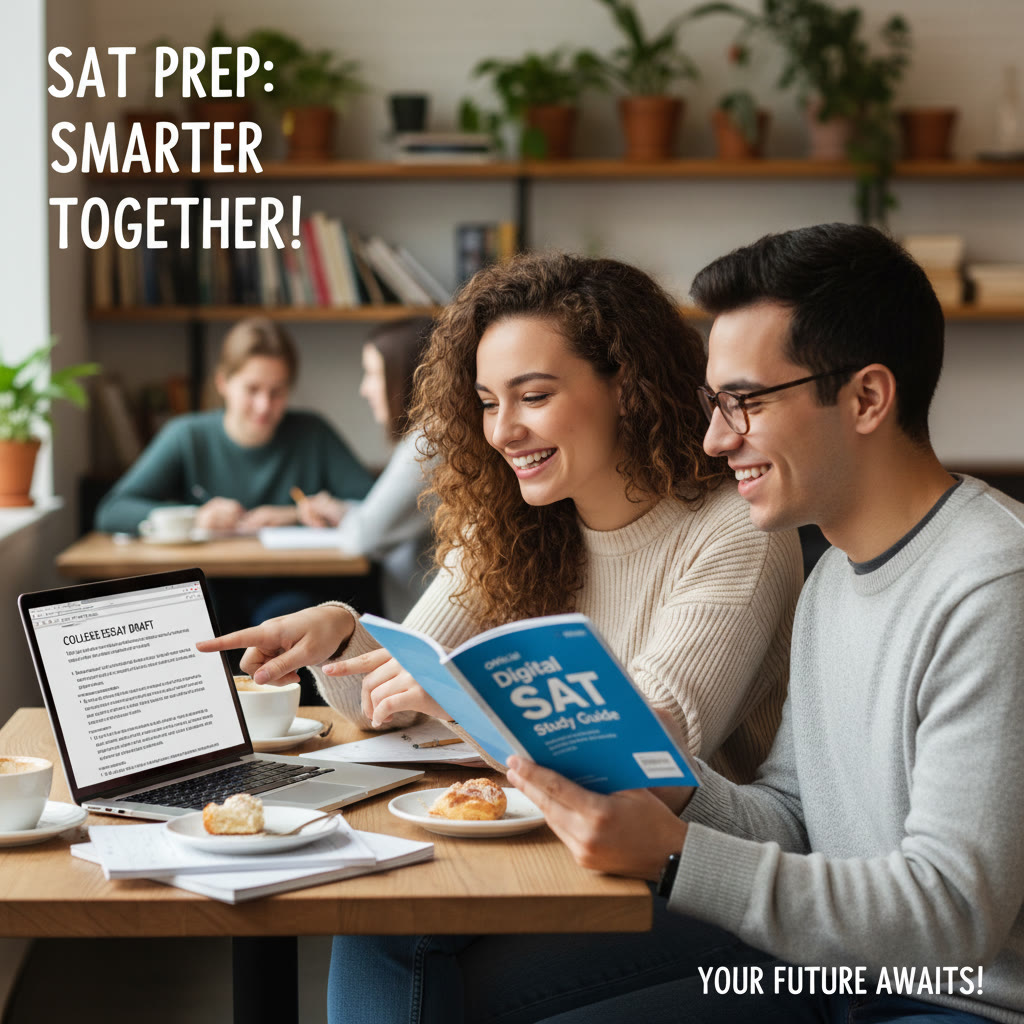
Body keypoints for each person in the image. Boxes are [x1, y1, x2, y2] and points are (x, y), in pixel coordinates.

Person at [197, 252, 805, 1023]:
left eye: (535, 396)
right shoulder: (514, 523)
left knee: (415, 956)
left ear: (627, 384)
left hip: (699, 870)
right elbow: (380, 703)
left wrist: (462, 698)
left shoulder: (733, 532)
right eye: (487, 402)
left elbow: (648, 749)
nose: (504, 430)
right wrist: (340, 634)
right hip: (560, 842)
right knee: (385, 924)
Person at [500, 223, 1024, 1024]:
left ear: (867, 398)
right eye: (715, 404)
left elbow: (952, 916)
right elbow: (794, 818)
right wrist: (672, 785)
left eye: (744, 402)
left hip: (958, 1004)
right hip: (834, 976)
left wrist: (678, 855)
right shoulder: (833, 579)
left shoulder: (992, 586)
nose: (716, 439)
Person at [97, 317, 377, 699]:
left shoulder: (312, 433)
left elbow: (374, 506)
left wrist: (296, 514)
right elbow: (113, 509)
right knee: (189, 629)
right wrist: (195, 517)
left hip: (291, 591)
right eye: (252, 389)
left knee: (290, 623)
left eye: (277, 392)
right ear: (223, 383)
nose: (264, 406)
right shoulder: (187, 436)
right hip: (206, 593)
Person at [293, 317, 437, 620]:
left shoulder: (428, 444)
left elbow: (362, 538)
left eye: (373, 374)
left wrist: (349, 519)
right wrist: (344, 511)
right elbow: (388, 518)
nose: (364, 389)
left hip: (430, 623)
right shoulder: (432, 437)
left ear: (406, 376)